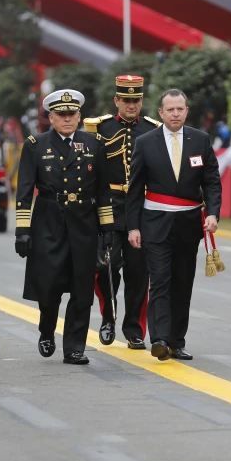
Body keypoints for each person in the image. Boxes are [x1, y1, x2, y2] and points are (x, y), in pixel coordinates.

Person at [14, 89, 115, 365]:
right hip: (48, 221)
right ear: (51, 117)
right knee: (48, 287)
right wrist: (22, 231)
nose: (67, 119)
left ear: (80, 116)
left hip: (84, 221)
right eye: (61, 115)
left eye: (72, 114)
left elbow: (104, 190)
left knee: (83, 288)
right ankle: (47, 328)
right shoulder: (35, 144)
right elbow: (24, 191)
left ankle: (74, 347)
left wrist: (107, 229)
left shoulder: (94, 143)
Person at [126, 89, 222, 361]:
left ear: (186, 111)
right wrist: (133, 226)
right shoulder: (145, 142)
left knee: (182, 284)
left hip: (189, 224)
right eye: (170, 109)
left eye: (180, 109)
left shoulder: (201, 140)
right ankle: (158, 338)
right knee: (159, 281)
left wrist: (213, 213)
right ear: (161, 113)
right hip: (155, 223)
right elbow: (135, 189)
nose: (176, 114)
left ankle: (176, 341)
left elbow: (212, 181)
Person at [83, 75, 162, 350]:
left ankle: (134, 330)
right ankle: (108, 316)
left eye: (136, 100)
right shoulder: (99, 128)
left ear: (142, 101)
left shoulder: (154, 130)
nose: (131, 105)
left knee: (139, 274)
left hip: (140, 209)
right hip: (109, 207)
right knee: (105, 268)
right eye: (126, 100)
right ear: (116, 100)